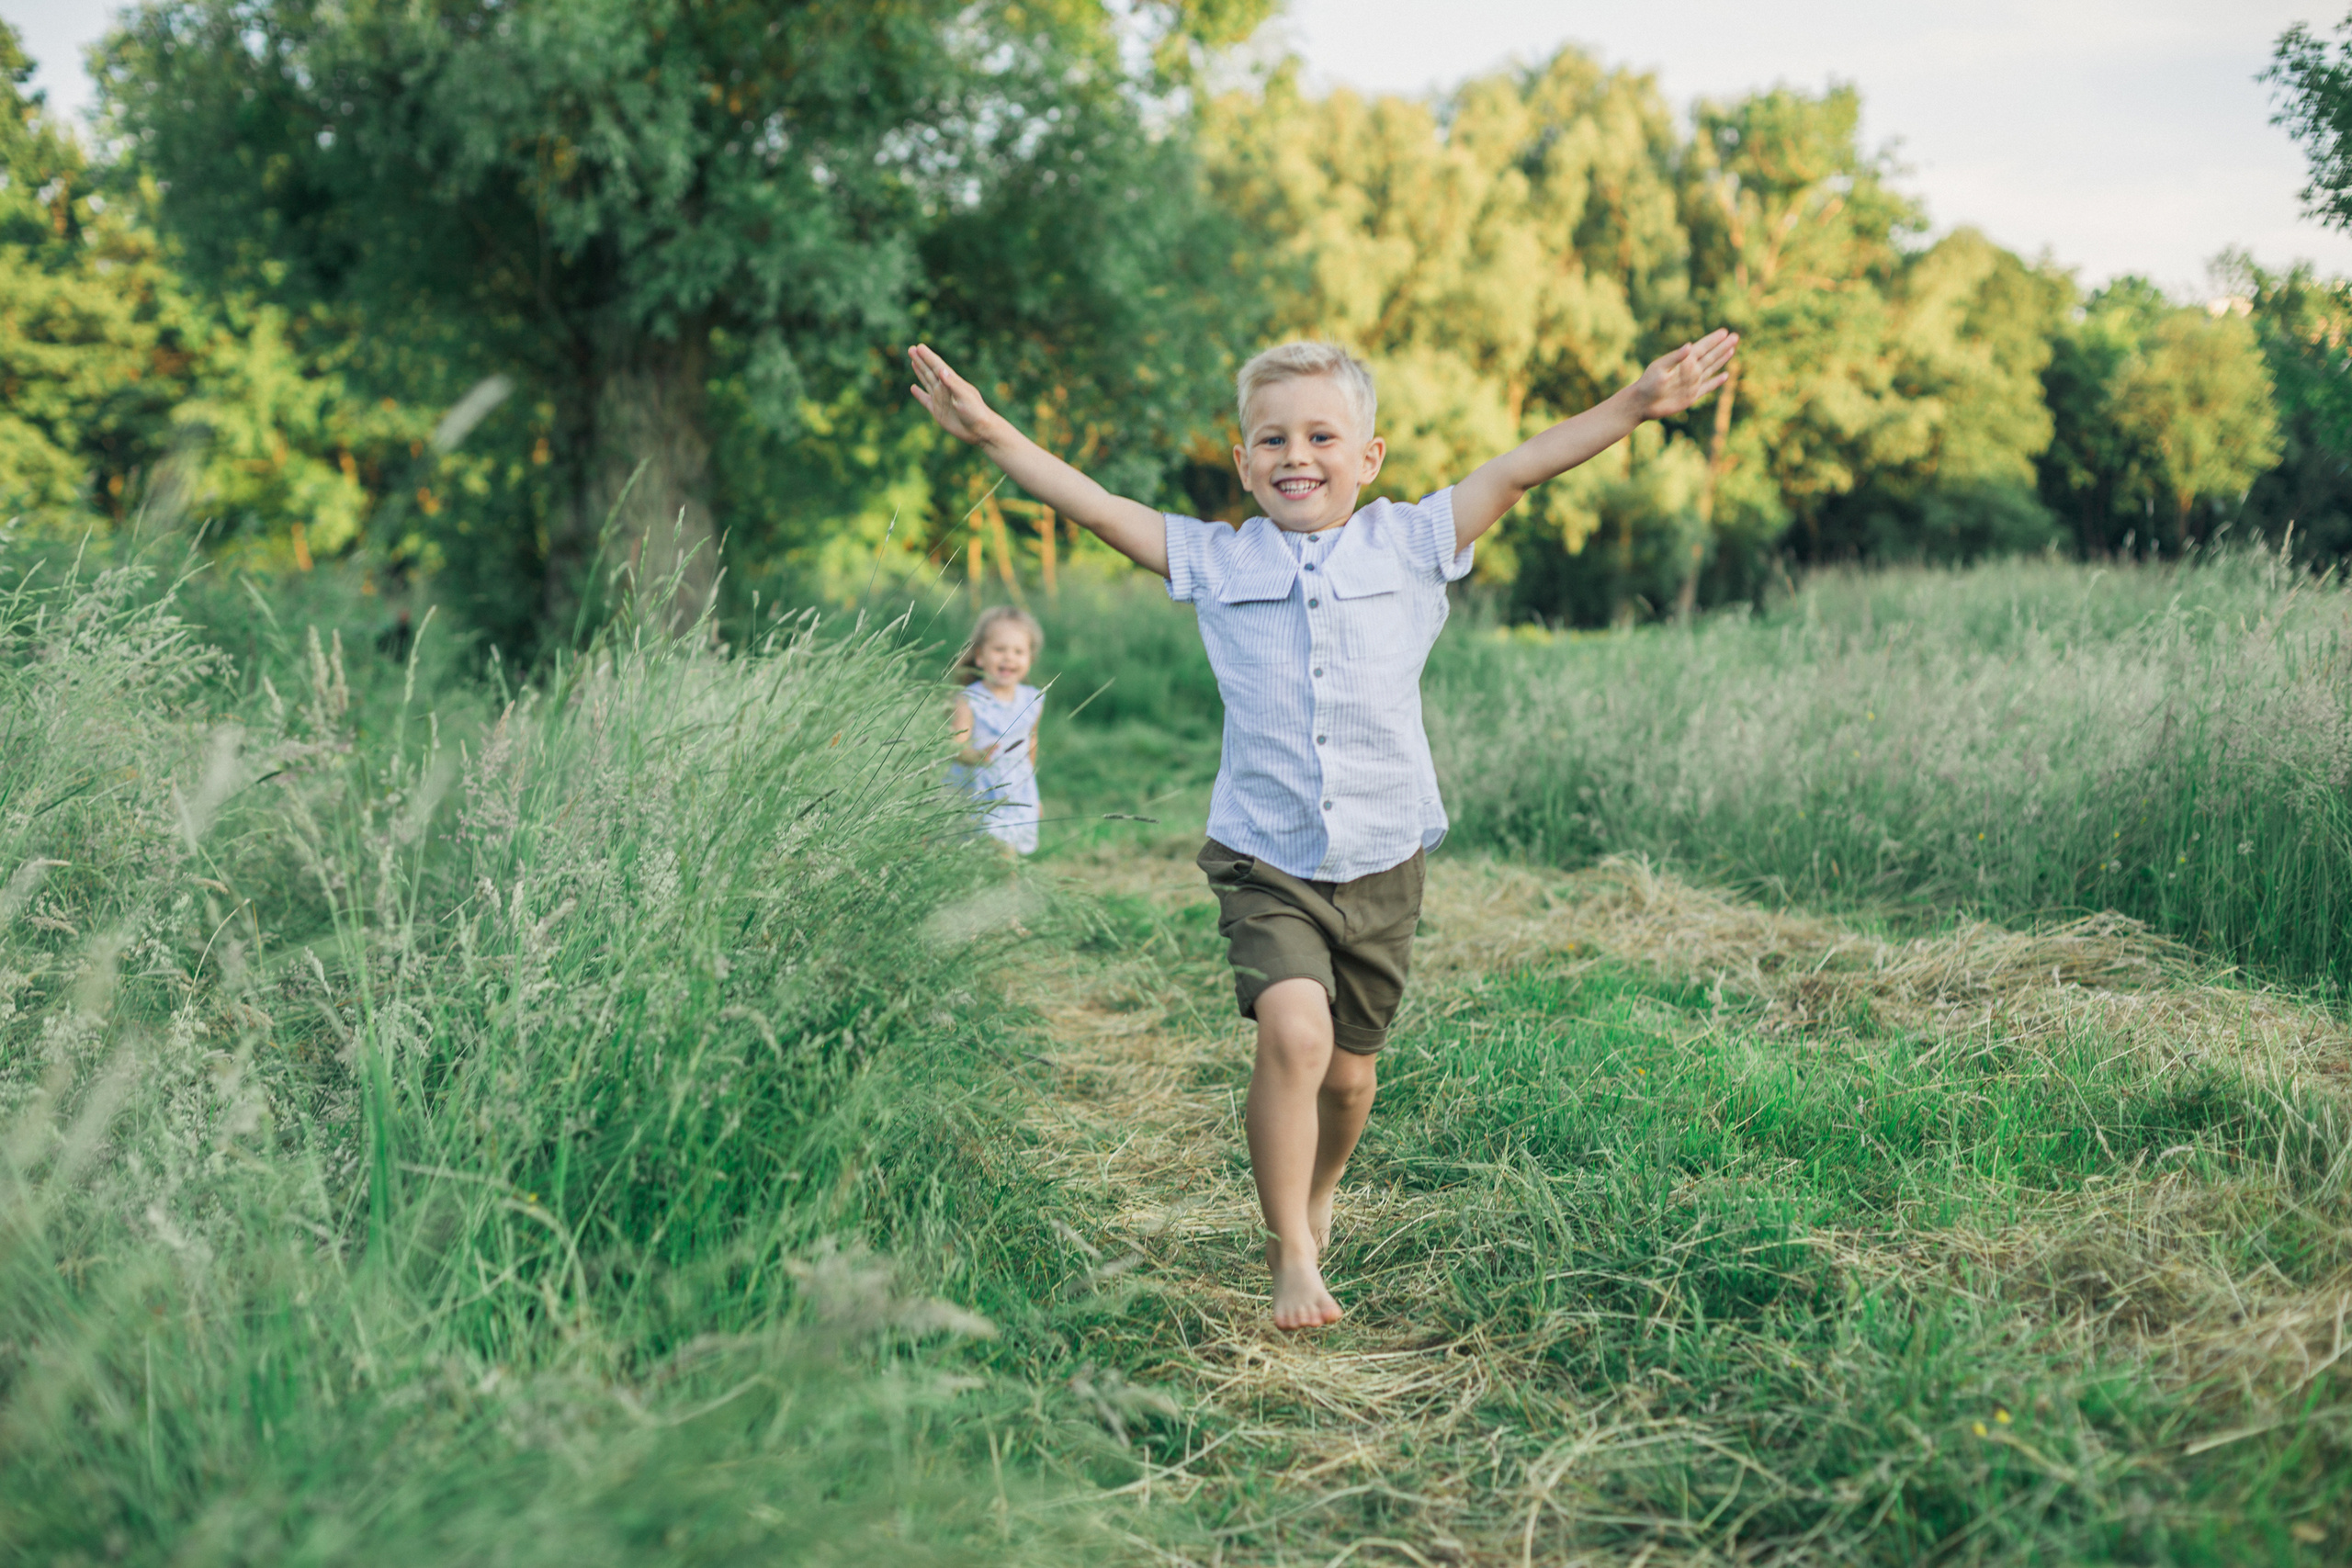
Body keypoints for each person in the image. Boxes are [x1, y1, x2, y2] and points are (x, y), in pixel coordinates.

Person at [909, 329, 1736, 1330]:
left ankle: (1319, 1190)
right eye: (1272, 439)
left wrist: (1635, 404)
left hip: (1384, 860)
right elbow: (1090, 503)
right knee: (1295, 1036)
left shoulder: (1413, 541)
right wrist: (990, 432)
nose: (1294, 455)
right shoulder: (1216, 559)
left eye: (1320, 436)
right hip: (1265, 856)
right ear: (1242, 462)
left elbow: (1522, 466)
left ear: (1369, 457)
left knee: (1349, 1079)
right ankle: (1290, 1251)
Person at [950, 605, 1046, 855]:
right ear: (980, 656)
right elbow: (955, 746)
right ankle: (1006, 878)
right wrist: (975, 755)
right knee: (990, 849)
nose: (1008, 658)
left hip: (1016, 787)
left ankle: (1006, 878)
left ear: (1030, 658)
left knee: (1004, 848)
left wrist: (1033, 796)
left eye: (1018, 652)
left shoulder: (1032, 700)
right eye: (999, 649)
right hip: (981, 788)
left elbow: (1031, 742)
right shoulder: (969, 699)